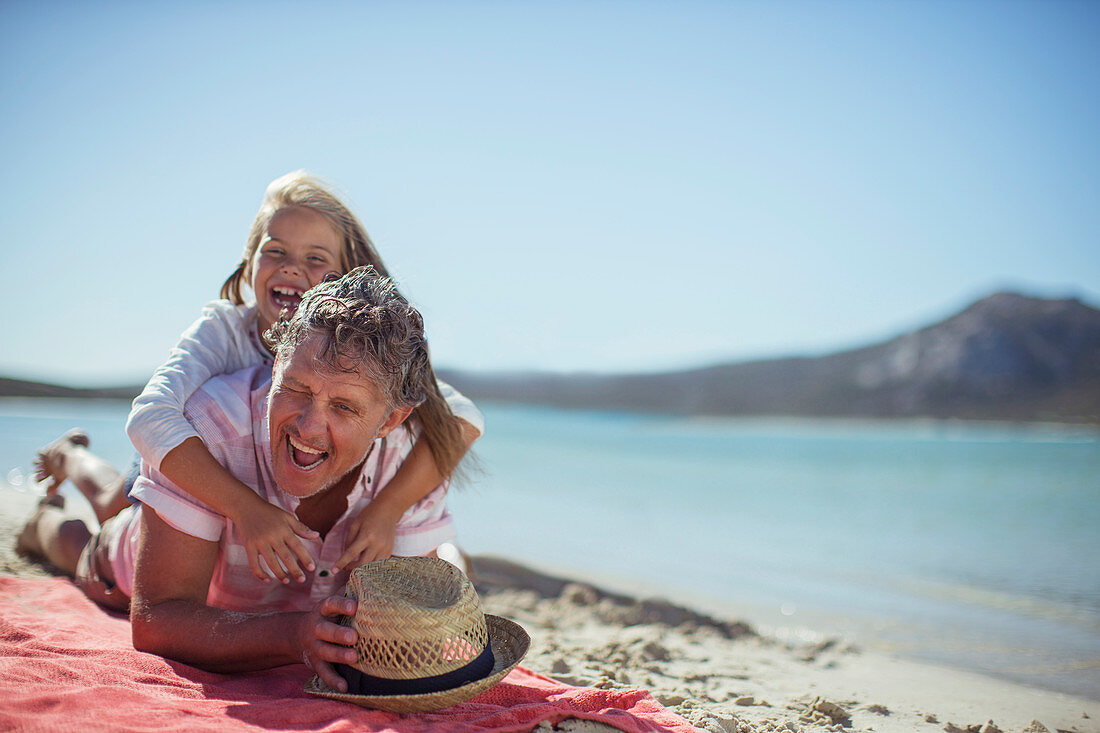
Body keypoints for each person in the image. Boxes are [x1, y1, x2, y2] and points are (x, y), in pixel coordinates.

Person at [18, 267, 452, 693]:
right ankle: (50, 505)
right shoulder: (212, 429)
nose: (308, 427)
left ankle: (70, 457)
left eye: (343, 407)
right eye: (297, 389)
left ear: (390, 420)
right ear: (279, 361)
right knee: (82, 545)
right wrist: (292, 636)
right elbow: (156, 619)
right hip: (124, 563)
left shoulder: (409, 467)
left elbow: (411, 621)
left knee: (115, 496)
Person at [31, 171, 481, 582]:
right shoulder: (224, 331)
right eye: (276, 251)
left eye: (315, 259)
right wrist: (246, 510)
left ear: (345, 280)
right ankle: (58, 485)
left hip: (240, 466)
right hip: (184, 449)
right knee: (114, 504)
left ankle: (71, 460)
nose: (292, 268)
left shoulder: (356, 355)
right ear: (250, 262)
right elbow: (149, 417)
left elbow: (460, 416)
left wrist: (387, 510)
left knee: (114, 507)